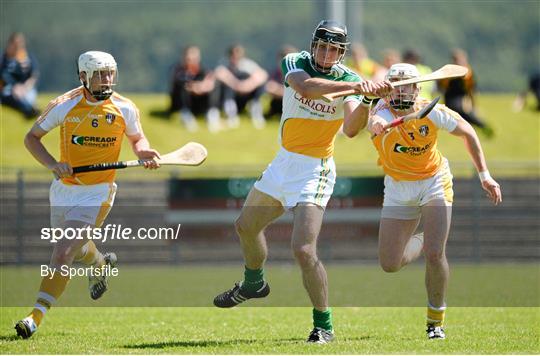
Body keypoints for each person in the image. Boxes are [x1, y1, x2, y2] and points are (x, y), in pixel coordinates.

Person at [212, 20, 392, 344]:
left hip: (316, 170)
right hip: (283, 162)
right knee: (245, 227)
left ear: (341, 52)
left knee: (304, 249)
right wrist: (355, 88)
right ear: (313, 45)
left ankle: (324, 325)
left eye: (333, 49)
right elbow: (307, 87)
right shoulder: (295, 62)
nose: (326, 53)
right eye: (322, 46)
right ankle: (254, 283)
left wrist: (366, 100)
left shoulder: (349, 79)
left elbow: (351, 130)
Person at [350, 63, 502, 340]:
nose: (400, 91)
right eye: (395, 85)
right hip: (398, 187)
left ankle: (435, 322)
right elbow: (373, 122)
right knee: (390, 263)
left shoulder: (433, 112)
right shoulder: (380, 111)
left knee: (435, 254)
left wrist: (485, 175)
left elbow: (468, 132)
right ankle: (422, 238)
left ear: (417, 88)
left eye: (406, 85)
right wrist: (378, 124)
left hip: (434, 181)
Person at [16, 51, 160, 339]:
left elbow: (136, 137)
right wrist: (52, 164)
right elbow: (31, 138)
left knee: (63, 251)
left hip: (98, 193)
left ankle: (34, 317)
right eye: (100, 74)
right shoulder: (64, 105)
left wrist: (143, 150)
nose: (107, 79)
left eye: (110, 73)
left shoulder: (125, 108)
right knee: (76, 250)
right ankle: (100, 263)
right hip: (64, 190)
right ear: (83, 76)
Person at [438, 48, 494, 137]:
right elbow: (441, 86)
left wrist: (474, 105)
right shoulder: (448, 70)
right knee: (452, 116)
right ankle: (474, 129)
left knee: (462, 113)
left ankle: (481, 126)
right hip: (449, 98)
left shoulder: (468, 72)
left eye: (460, 59)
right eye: (456, 60)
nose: (458, 62)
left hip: (459, 99)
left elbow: (471, 90)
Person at [213, 44, 269, 129]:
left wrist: (248, 85)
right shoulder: (224, 64)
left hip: (247, 94)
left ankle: (256, 111)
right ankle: (231, 116)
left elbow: (263, 74)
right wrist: (236, 84)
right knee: (225, 86)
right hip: (230, 97)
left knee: (260, 85)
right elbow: (219, 73)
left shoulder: (247, 64)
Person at [168, 45, 221, 133]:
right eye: (190, 57)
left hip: (199, 101)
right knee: (182, 87)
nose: (193, 60)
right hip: (182, 102)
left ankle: (212, 114)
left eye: (195, 57)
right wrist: (195, 87)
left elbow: (210, 81)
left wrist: (201, 87)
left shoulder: (202, 70)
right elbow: (182, 83)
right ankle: (186, 115)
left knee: (216, 84)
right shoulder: (177, 69)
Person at [0, 32, 40, 119]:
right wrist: (15, 87)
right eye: (16, 43)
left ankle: (30, 110)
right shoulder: (3, 59)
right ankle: (29, 110)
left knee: (28, 95)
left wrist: (25, 87)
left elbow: (33, 75)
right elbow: (3, 77)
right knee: (12, 94)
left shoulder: (27, 57)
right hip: (8, 89)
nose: (18, 46)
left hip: (25, 88)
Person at [264, 44, 297, 120]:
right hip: (278, 104)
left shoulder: (299, 74)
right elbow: (269, 88)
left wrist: (279, 90)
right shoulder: (276, 73)